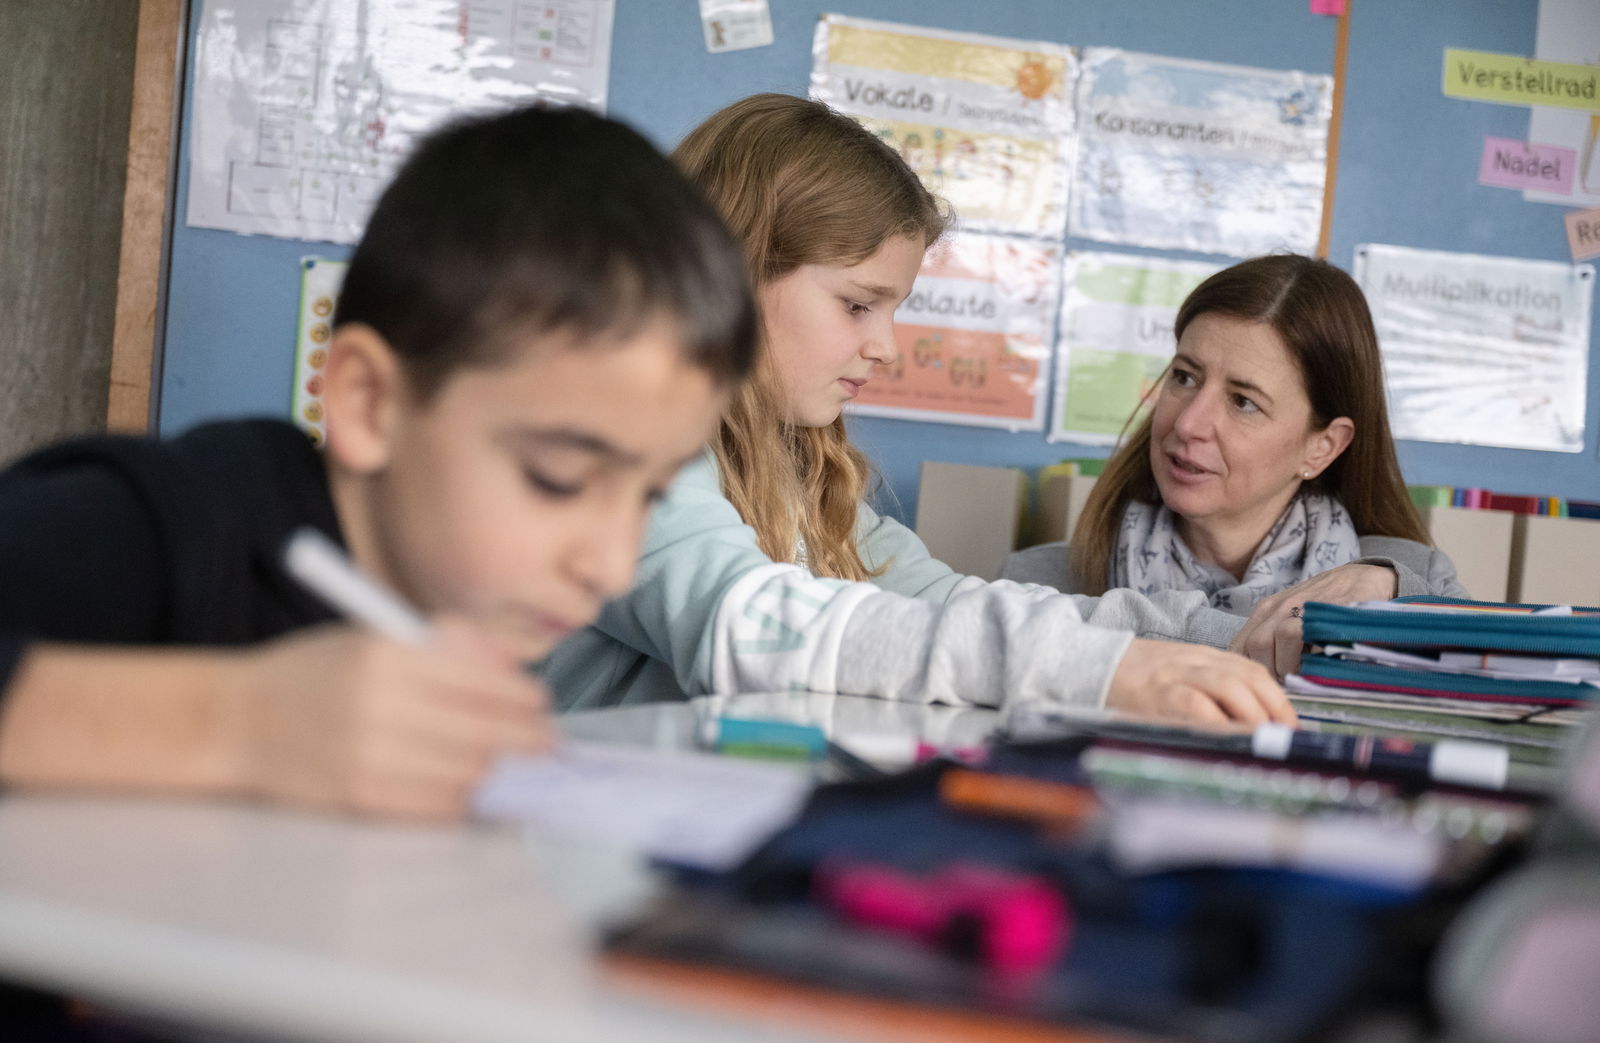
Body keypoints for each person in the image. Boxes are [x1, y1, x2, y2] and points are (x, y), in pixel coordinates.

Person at [0, 104, 757, 821]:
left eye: (651, 495)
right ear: (367, 403)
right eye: (557, 478)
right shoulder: (180, 520)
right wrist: (241, 724)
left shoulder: (451, 610)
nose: (613, 568)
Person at [543, 93, 1290, 727]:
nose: (885, 347)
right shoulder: (613, 433)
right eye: (858, 304)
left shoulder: (791, 469)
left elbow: (952, 606)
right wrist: (1094, 671)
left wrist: (1238, 638)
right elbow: (754, 626)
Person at [1002, 254, 1466, 677]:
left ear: (1322, 446)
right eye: (1184, 377)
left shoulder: (1406, 580)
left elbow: (1510, 686)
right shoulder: (1043, 583)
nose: (1188, 423)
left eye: (1243, 402)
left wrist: (1392, 590)